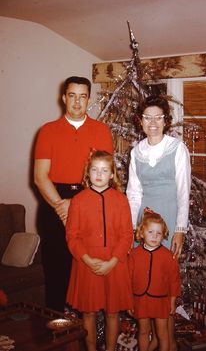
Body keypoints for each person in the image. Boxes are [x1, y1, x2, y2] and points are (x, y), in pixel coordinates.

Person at [34, 76, 113, 312]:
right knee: (56, 271)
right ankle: (56, 326)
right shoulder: (47, 131)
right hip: (53, 201)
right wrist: (62, 205)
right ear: (63, 98)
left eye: (82, 96)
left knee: (85, 271)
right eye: (72, 95)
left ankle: (85, 329)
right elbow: (40, 177)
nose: (77, 102)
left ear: (88, 99)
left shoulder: (101, 131)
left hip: (89, 197)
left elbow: (103, 174)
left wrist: (76, 205)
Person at [126, 95, 191, 351]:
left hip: (168, 218)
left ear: (166, 121)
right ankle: (153, 339)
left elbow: (183, 191)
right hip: (144, 224)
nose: (152, 122)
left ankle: (168, 341)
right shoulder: (136, 152)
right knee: (145, 279)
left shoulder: (176, 148)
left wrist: (180, 230)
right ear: (140, 121)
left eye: (158, 117)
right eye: (147, 117)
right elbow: (133, 194)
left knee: (163, 282)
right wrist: (132, 230)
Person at [66, 150, 133, 351]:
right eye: (95, 169)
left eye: (104, 170)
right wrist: (86, 259)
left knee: (113, 313)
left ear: (112, 174)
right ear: (88, 172)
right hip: (86, 263)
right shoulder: (78, 200)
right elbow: (72, 236)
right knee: (88, 312)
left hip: (114, 262)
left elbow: (127, 235)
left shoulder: (121, 200)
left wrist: (112, 261)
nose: (99, 174)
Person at [128, 208, 181, 351]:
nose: (154, 236)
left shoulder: (168, 256)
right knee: (143, 331)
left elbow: (174, 280)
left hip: (161, 300)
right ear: (141, 233)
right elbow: (128, 280)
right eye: (150, 232)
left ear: (163, 235)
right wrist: (129, 301)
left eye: (158, 233)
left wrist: (172, 301)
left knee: (162, 333)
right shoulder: (133, 255)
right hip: (140, 299)